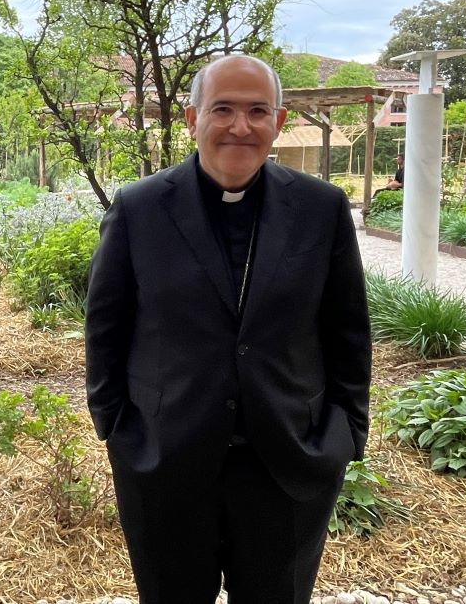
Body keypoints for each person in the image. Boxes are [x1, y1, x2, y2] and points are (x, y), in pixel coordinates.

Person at [85, 55, 372, 604]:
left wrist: (346, 432)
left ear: (279, 122)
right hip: (165, 462)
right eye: (223, 109)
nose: (241, 126)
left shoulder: (321, 209)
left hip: (286, 465)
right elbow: (105, 328)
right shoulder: (139, 209)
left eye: (257, 111)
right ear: (192, 119)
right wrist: (116, 427)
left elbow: (348, 331)